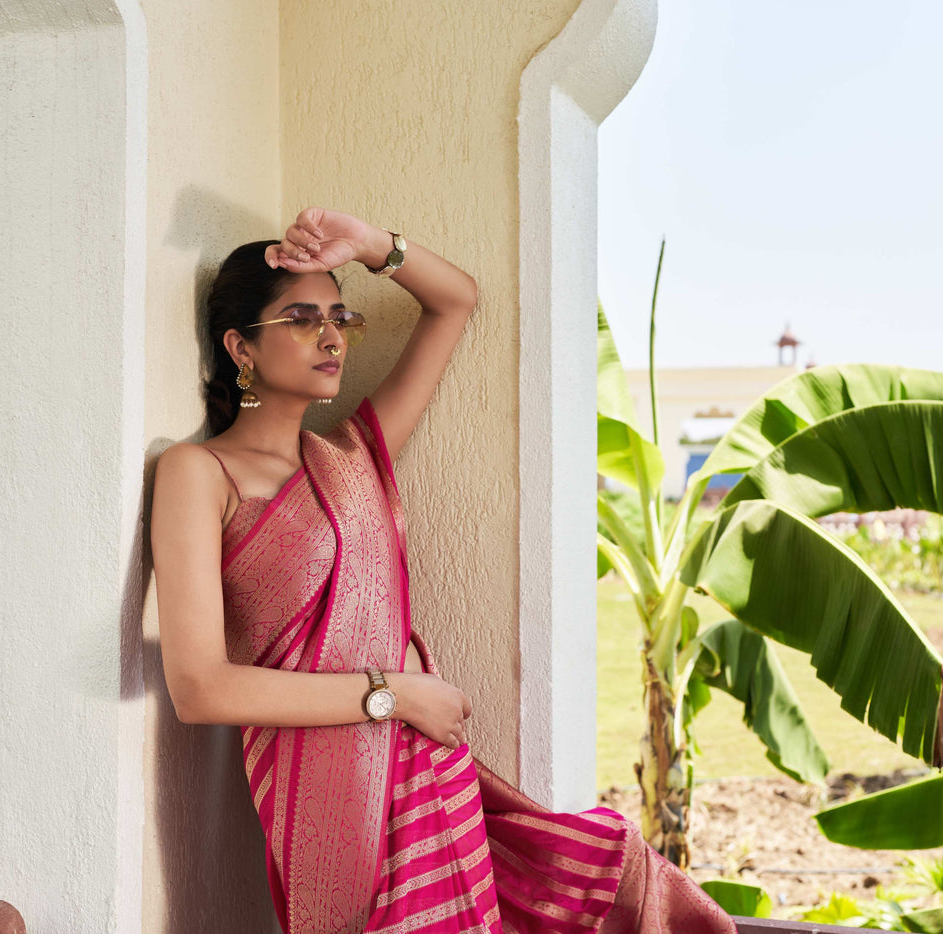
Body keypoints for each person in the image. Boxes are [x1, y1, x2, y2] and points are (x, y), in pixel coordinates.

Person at [150, 207, 738, 934]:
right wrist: (391, 696)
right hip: (322, 786)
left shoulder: (356, 456)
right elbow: (200, 688)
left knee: (600, 866)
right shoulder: (198, 472)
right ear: (241, 345)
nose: (332, 335)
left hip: (426, 770)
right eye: (302, 318)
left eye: (341, 316)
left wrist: (368, 244)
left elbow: (455, 298)